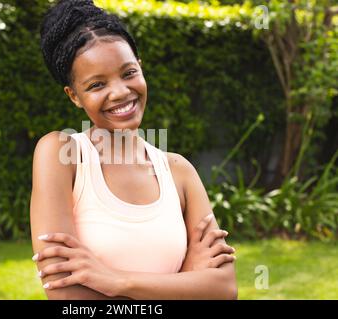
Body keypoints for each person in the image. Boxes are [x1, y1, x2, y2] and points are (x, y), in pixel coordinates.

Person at [30, 0, 237, 300]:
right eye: (97, 85)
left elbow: (224, 289)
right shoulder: (62, 155)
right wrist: (186, 281)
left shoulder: (178, 171)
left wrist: (117, 282)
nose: (120, 92)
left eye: (128, 73)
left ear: (140, 66)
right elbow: (69, 300)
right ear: (74, 96)